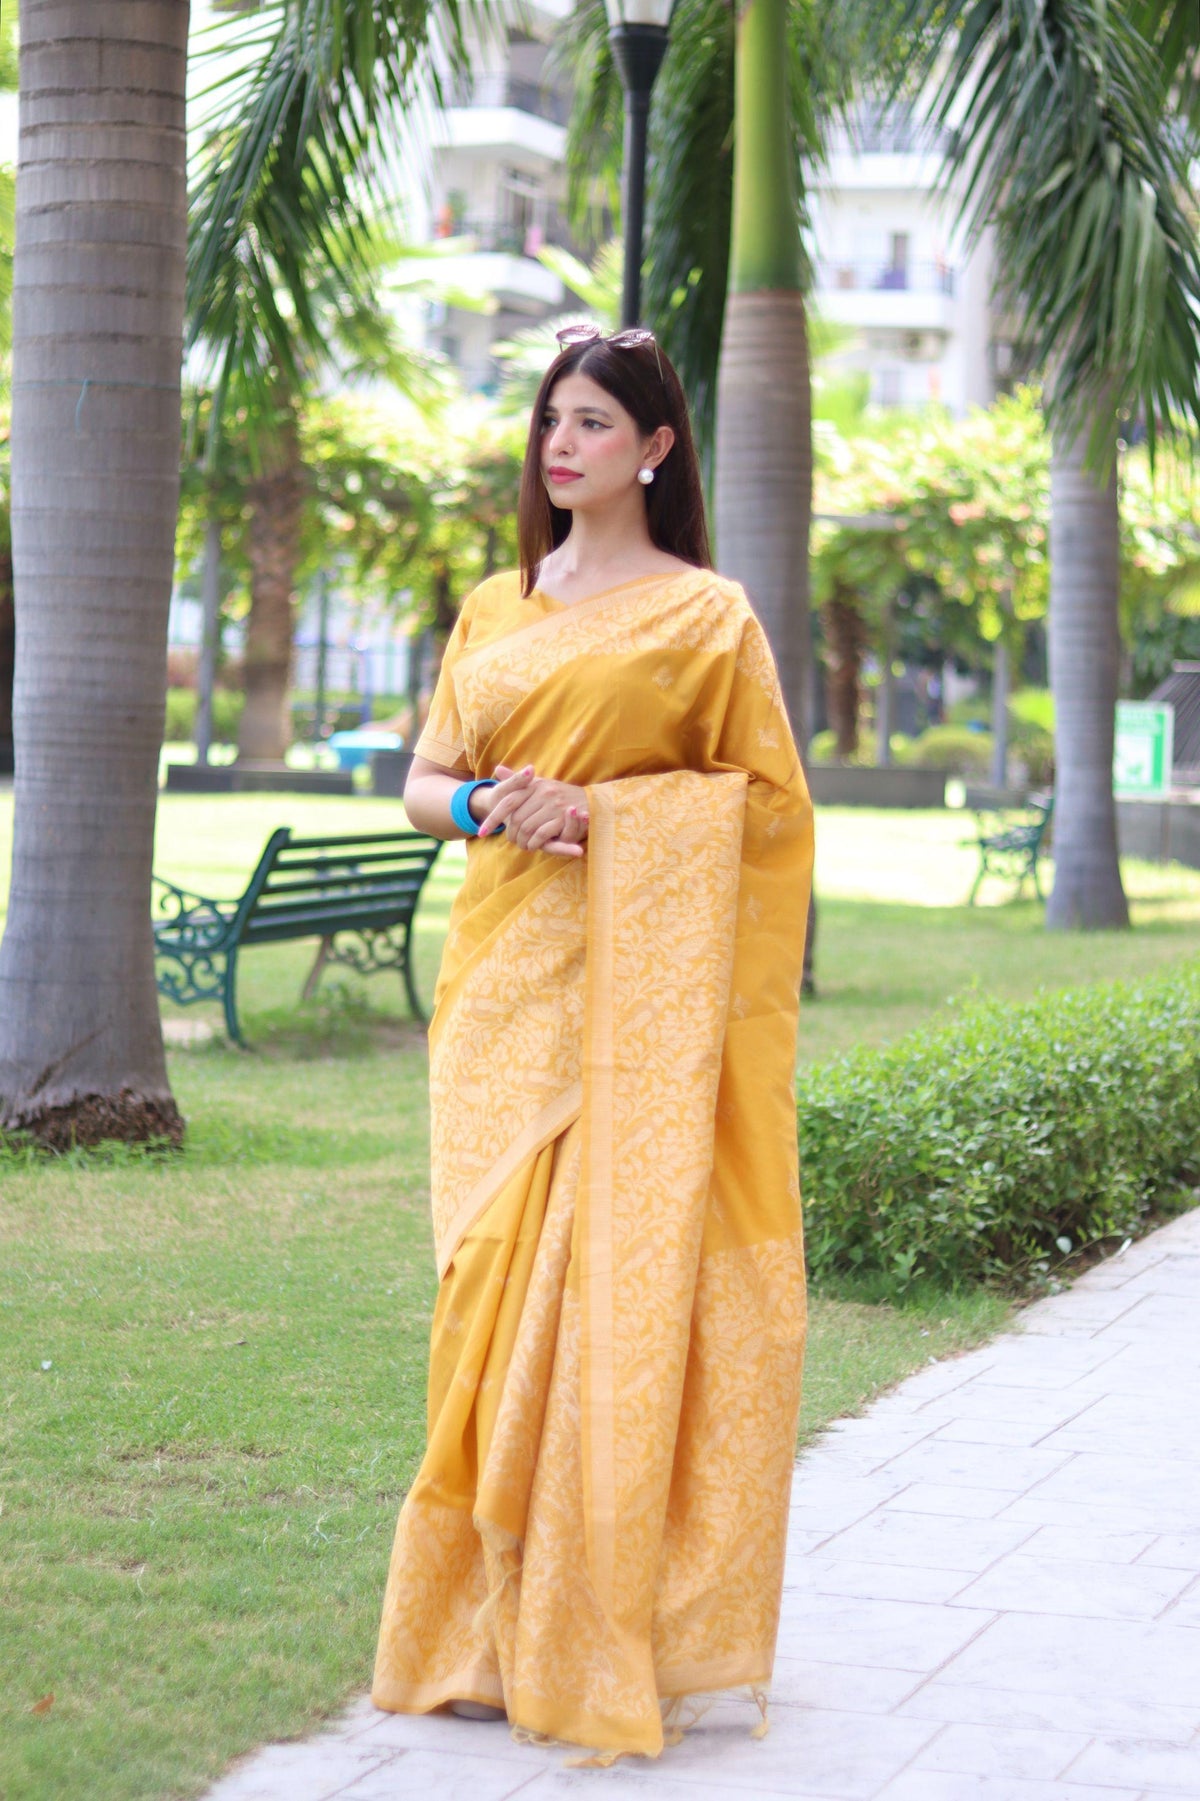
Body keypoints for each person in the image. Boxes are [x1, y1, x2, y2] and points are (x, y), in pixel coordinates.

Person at [371, 324, 815, 1761]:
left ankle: (578, 1617)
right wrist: (501, 802)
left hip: (641, 1016)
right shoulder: (499, 604)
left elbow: (763, 809)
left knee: (606, 1294)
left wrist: (614, 816)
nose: (562, 446)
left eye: (593, 424)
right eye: (550, 421)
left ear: (657, 448)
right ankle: (475, 1627)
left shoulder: (707, 616)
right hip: (504, 987)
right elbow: (425, 781)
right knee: (485, 1291)